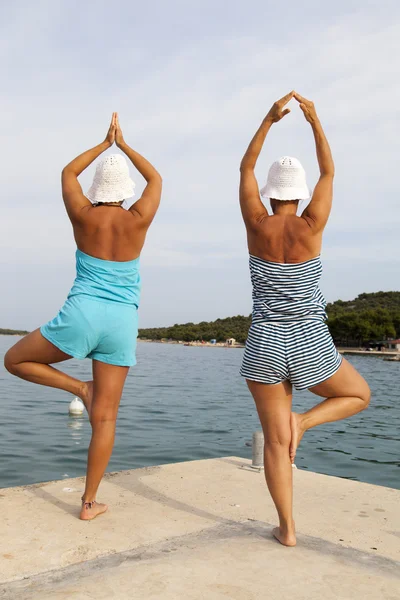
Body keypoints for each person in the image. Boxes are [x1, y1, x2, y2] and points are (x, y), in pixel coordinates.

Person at [4, 113, 162, 520]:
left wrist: (102, 144)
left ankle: (80, 389)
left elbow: (68, 172)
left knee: (14, 360)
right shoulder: (138, 218)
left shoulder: (82, 215)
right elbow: (156, 180)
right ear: (125, 191)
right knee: (106, 418)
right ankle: (89, 503)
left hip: (83, 313)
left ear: (97, 189)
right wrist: (123, 146)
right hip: (122, 322)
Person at [239, 91, 370, 546]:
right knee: (358, 394)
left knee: (274, 444)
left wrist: (268, 120)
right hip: (309, 336)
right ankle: (305, 422)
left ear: (272, 194)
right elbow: (329, 172)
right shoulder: (312, 225)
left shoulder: (257, 223)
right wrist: (315, 121)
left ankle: (288, 529)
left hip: (264, 339)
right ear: (299, 192)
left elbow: (246, 170)